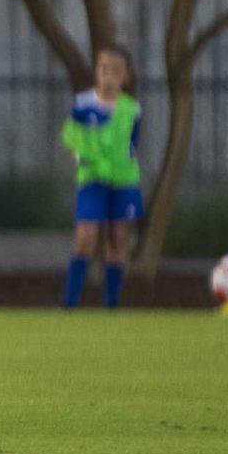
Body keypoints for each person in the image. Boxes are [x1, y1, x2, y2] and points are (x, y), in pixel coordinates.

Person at [61, 45, 144, 309]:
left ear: (126, 76)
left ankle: (111, 305)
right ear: (97, 72)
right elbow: (70, 138)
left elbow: (131, 145)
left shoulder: (132, 109)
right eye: (104, 69)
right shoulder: (83, 105)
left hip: (123, 182)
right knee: (86, 237)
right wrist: (84, 159)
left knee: (117, 241)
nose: (108, 76)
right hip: (92, 180)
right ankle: (70, 303)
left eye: (115, 71)